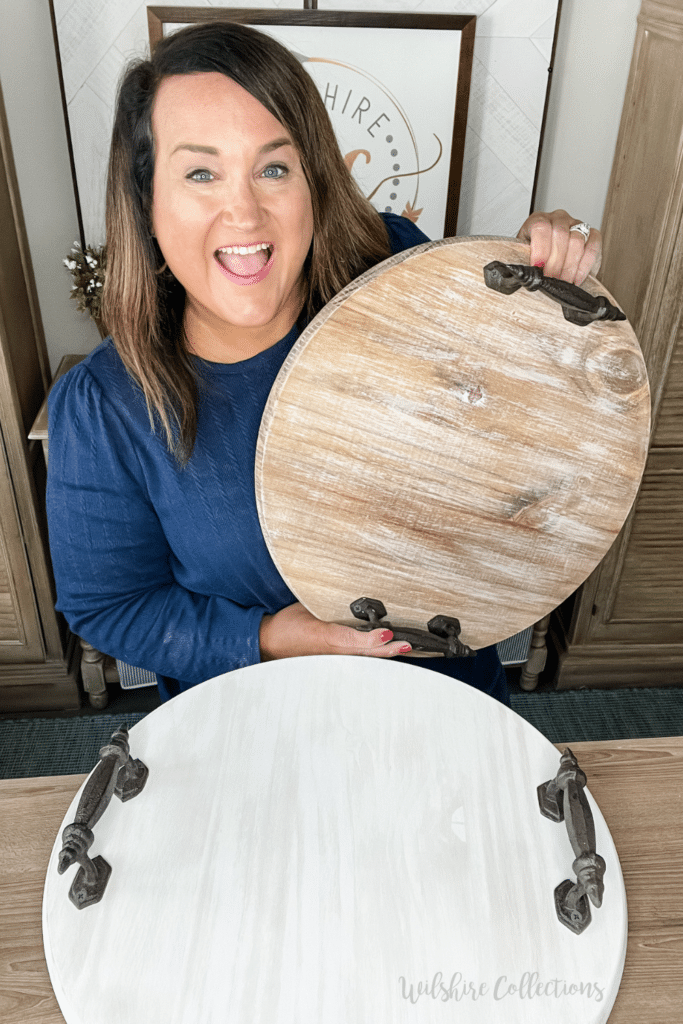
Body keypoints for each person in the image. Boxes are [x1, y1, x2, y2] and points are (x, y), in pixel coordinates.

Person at [47, 22, 602, 705]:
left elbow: (509, 412)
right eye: (200, 173)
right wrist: (272, 636)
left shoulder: (393, 274)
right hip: (246, 719)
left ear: (313, 183)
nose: (243, 211)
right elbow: (110, 607)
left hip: (441, 698)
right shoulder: (104, 406)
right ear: (146, 202)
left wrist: (539, 271)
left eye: (273, 167)